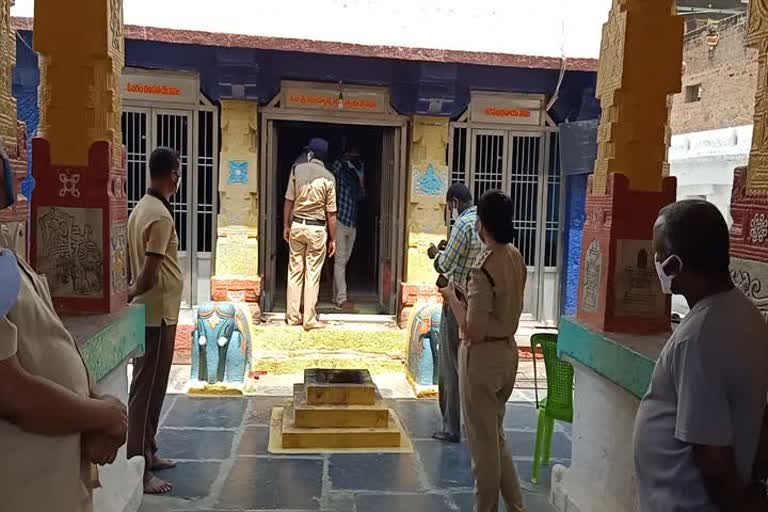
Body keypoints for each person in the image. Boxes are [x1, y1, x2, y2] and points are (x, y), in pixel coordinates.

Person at [0, 145, 128, 511]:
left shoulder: (8, 256)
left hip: (57, 482)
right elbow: (12, 394)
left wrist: (94, 404)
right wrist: (103, 414)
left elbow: (52, 339)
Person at [633, 199, 768, 512]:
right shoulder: (742, 312)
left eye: (660, 254)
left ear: (676, 264)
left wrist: (747, 504)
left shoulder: (700, 337)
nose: (655, 261)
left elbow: (714, 460)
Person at [440, 190, 527, 512]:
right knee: (497, 438)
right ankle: (516, 506)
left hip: (482, 359)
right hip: (507, 354)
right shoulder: (515, 257)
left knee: (483, 450)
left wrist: (452, 297)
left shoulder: (484, 265)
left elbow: (472, 329)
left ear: (483, 224)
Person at [127, 147, 184, 494]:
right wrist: (131, 293)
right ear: (172, 175)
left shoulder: (143, 208)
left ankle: (149, 450)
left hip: (156, 312)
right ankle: (139, 469)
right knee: (145, 392)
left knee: (153, 388)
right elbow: (148, 275)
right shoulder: (160, 216)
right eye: (177, 175)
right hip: (155, 314)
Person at [430, 183, 481, 443]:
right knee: (471, 366)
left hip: (457, 301)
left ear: (454, 202)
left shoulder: (461, 224)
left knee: (450, 365)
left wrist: (436, 254)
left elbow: (445, 264)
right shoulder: (482, 221)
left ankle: (451, 427)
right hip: (479, 304)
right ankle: (475, 425)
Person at [284, 138, 337, 330]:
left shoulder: (297, 169)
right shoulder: (329, 177)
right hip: (317, 229)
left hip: (297, 225)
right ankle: (309, 318)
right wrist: (333, 238)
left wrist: (285, 225)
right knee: (313, 273)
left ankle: (292, 316)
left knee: (294, 271)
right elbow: (331, 213)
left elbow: (289, 200)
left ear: (311, 154)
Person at [331, 145, 365, 312]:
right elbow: (335, 165)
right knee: (339, 261)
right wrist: (346, 159)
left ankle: (335, 295)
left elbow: (362, 194)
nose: (354, 158)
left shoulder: (356, 174)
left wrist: (359, 175)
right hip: (340, 221)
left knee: (342, 262)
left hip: (351, 223)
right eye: (352, 155)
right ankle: (341, 299)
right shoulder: (341, 169)